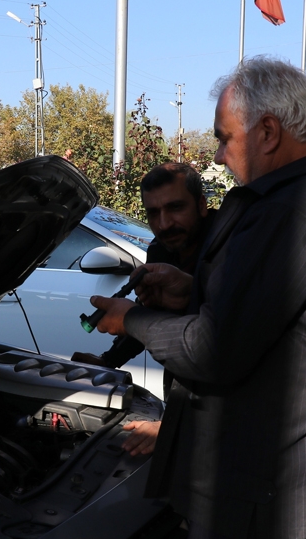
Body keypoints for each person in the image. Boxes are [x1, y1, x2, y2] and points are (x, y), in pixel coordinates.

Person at [89, 57, 306, 539]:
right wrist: (190, 290)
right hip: (297, 481)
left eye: (225, 138)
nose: (219, 155)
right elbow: (276, 317)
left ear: (268, 132)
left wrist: (134, 319)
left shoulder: (292, 214)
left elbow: (215, 350)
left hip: (266, 494)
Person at [71, 162, 215, 458]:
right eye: (153, 213)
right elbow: (150, 311)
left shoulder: (231, 246)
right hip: (180, 386)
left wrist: (176, 428)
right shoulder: (160, 250)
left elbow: (233, 344)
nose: (164, 224)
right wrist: (107, 362)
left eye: (175, 208)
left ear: (201, 205)